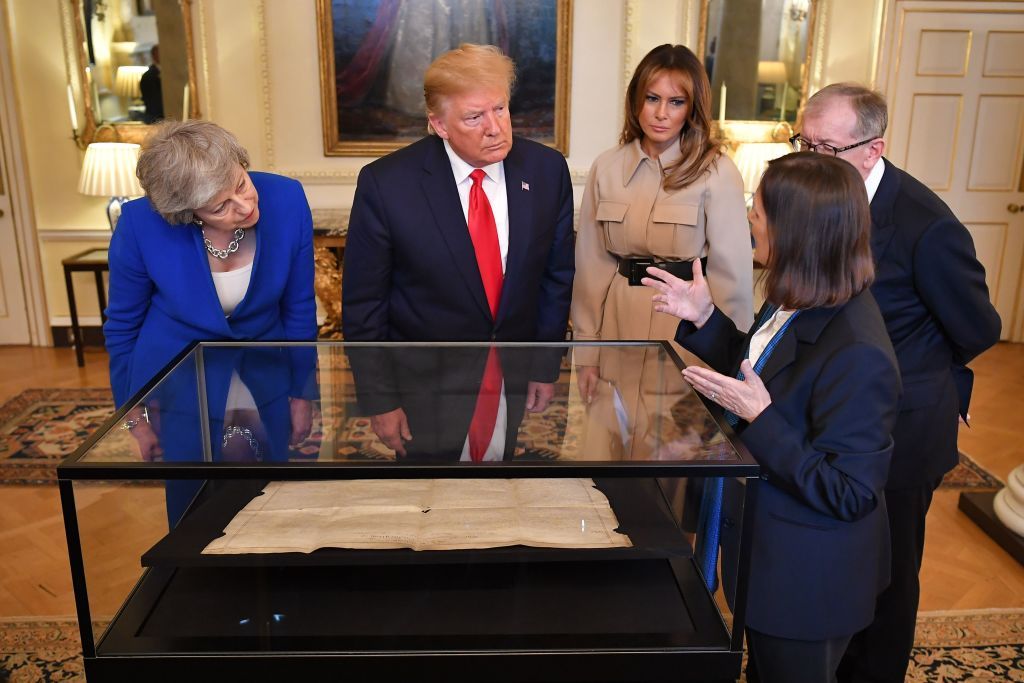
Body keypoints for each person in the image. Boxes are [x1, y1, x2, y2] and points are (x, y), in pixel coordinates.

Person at [644, 152, 901, 683]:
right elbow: (763, 369)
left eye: (758, 211)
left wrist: (759, 418)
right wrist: (705, 317)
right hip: (768, 561)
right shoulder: (798, 297)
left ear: (798, 230)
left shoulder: (859, 351)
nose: (748, 218)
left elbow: (849, 492)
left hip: (808, 583)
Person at [792, 84, 1003, 683]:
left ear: (872, 148)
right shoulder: (820, 196)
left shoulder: (926, 225)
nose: (810, 160)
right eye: (803, 143)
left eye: (825, 148)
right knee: (844, 562)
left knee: (887, 576)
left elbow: (978, 328)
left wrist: (914, 375)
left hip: (903, 430)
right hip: (838, 421)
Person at [342, 43, 574, 459]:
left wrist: (544, 366)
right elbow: (365, 304)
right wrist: (379, 400)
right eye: (474, 117)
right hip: (424, 387)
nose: (495, 128)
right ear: (439, 125)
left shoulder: (546, 170)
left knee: (498, 485)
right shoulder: (387, 184)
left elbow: (556, 277)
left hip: (511, 373)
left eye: (500, 109)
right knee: (428, 505)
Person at [104, 120, 317, 520]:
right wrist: (135, 418)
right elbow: (122, 328)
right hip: (181, 378)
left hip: (265, 369)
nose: (245, 206)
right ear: (185, 212)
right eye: (220, 206)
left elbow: (299, 306)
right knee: (196, 509)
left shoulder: (287, 199)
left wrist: (302, 392)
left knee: (269, 499)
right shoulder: (139, 225)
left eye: (241, 184)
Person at [571, 43, 751, 460]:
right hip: (616, 327)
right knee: (607, 450)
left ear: (692, 108)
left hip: (684, 334)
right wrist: (586, 352)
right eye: (652, 98)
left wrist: (725, 362)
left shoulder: (716, 170)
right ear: (636, 100)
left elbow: (732, 279)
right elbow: (591, 267)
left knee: (670, 456)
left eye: (675, 101)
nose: (661, 112)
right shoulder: (607, 166)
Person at [139, 44, 163, 123]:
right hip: (155, 119)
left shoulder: (169, 73)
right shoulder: (148, 76)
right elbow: (153, 101)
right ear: (154, 56)